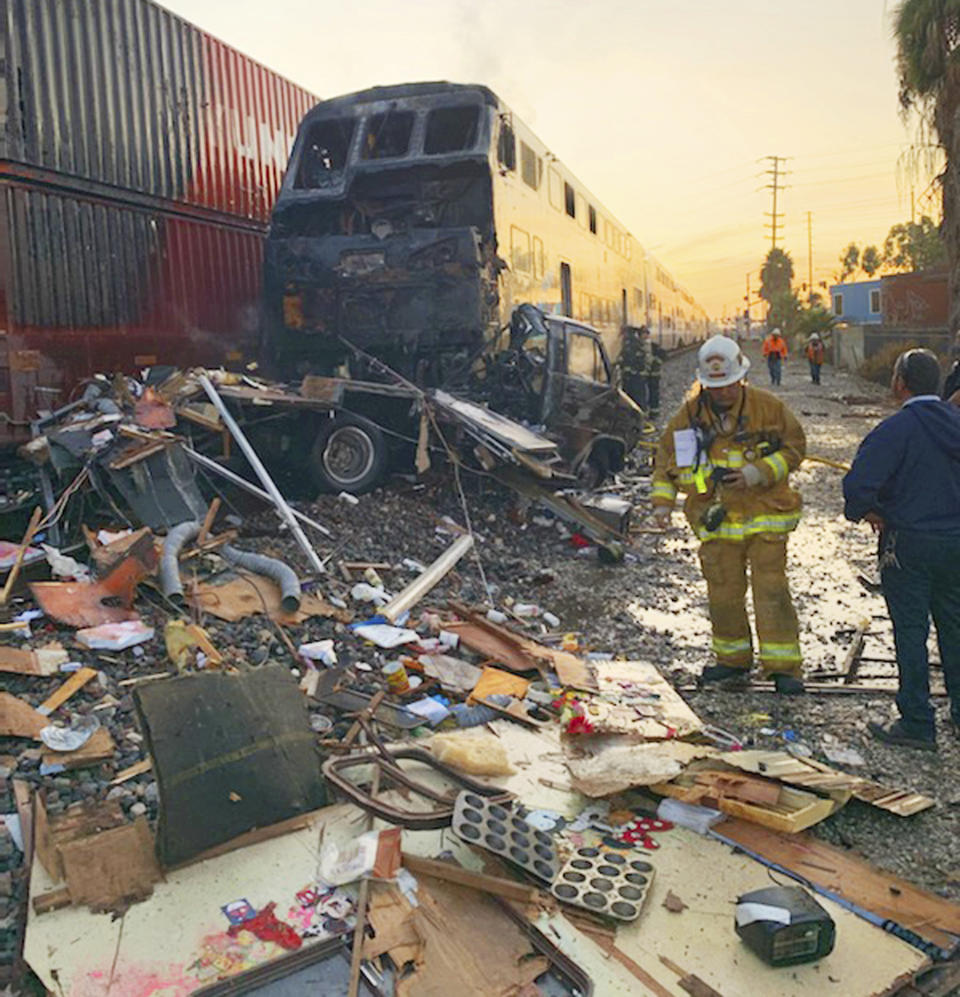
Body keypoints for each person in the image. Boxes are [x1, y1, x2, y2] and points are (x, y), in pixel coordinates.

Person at [652, 335, 807, 694]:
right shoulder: (689, 417)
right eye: (714, 386)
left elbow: (796, 447)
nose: (722, 392)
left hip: (764, 514)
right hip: (716, 519)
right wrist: (663, 503)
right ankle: (732, 661)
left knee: (771, 590)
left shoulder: (768, 408)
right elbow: (665, 461)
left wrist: (758, 472)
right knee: (723, 592)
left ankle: (784, 668)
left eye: (728, 385)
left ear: (741, 377)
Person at [843, 348, 960, 750]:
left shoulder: (895, 430)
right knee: (955, 628)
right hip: (956, 542)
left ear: (899, 383)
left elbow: (857, 487)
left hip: (907, 544)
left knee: (911, 630)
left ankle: (916, 721)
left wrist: (869, 510)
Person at [617, 326, 649, 410]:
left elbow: (625, 360)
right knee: (638, 397)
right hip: (636, 377)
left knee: (631, 397)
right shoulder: (636, 344)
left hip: (632, 377)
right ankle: (640, 413)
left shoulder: (629, 344)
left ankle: (636, 414)